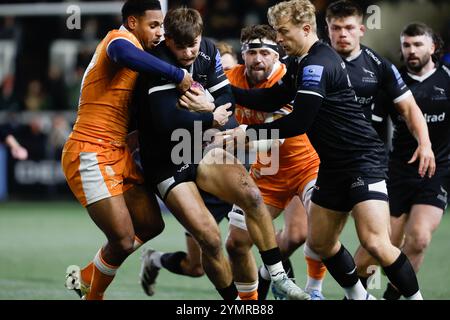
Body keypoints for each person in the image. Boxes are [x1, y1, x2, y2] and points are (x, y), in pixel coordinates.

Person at [219, 0, 431, 300]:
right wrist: (223, 91)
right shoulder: (300, 61)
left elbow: (300, 121)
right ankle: (361, 297)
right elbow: (270, 99)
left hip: (361, 161)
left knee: (376, 243)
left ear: (306, 29)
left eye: (283, 32)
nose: (278, 39)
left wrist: (249, 132)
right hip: (332, 167)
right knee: (320, 243)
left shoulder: (318, 64)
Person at [135, 7, 309, 300]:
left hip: (203, 148)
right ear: (168, 40)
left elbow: (225, 99)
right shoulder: (156, 62)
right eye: (181, 46)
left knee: (251, 197)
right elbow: (167, 123)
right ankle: (233, 304)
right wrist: (209, 116)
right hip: (167, 160)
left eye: (194, 44)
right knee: (210, 243)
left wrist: (206, 110)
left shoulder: (207, 51)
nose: (190, 52)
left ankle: (279, 278)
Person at [61, 0, 193, 300]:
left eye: (162, 25)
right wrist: (178, 75)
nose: (160, 32)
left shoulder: (140, 55)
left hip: (117, 151)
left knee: (150, 224)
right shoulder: (119, 39)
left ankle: (85, 277)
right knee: (121, 240)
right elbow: (122, 53)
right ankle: (93, 296)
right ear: (133, 22)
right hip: (90, 150)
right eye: (154, 25)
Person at [324, 0, 436, 290]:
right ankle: (291, 282)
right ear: (327, 29)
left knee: (377, 243)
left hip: (365, 161)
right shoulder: (315, 62)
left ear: (361, 29)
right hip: (320, 160)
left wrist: (424, 143)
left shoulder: (378, 66)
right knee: (314, 241)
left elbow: (410, 109)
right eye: (336, 28)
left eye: (349, 28)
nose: (343, 34)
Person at [222, 24, 326, 300]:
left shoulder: (289, 79)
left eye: (265, 53)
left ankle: (314, 291)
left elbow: (274, 136)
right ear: (243, 54)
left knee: (309, 233)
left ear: (277, 55)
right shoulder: (230, 79)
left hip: (306, 164)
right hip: (268, 171)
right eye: (252, 52)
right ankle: (253, 302)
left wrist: (236, 137)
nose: (258, 59)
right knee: (236, 243)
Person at [139, 42, 239, 297]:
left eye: (231, 68)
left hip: (225, 176)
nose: (227, 71)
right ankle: (155, 260)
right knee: (197, 266)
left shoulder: (240, 90)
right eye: (223, 68)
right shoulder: (187, 87)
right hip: (194, 176)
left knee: (244, 243)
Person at [359, 23, 450, 299]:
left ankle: (391, 297)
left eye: (418, 44)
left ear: (433, 48)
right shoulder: (392, 83)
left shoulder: (448, 80)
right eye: (406, 45)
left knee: (419, 239)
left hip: (436, 171)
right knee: (379, 247)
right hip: (396, 171)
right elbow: (373, 129)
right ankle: (354, 293)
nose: (411, 51)